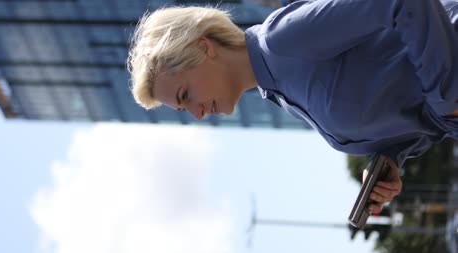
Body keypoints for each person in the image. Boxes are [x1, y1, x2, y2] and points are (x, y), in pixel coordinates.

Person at [127, 0, 458, 214]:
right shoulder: (282, 92)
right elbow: (408, 96)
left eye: (186, 96)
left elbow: (400, 4)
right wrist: (391, 156)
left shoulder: (284, 37)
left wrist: (447, 97)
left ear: (203, 48)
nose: (197, 113)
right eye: (185, 110)